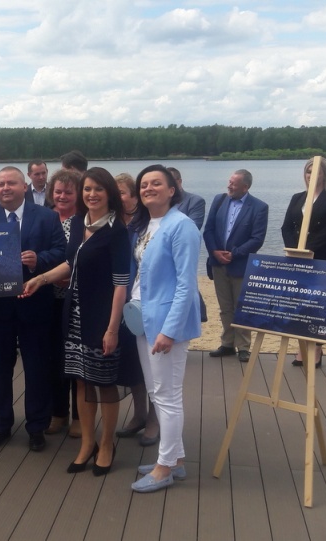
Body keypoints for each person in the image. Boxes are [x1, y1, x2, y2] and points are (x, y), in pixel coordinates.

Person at [23, 166, 132, 475]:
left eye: (98, 189)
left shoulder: (117, 231)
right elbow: (70, 264)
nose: (91, 194)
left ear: (109, 193)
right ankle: (87, 443)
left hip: (103, 317)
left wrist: (112, 329)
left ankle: (107, 444)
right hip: (74, 314)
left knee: (104, 383)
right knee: (82, 381)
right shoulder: (75, 222)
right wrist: (41, 279)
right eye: (87, 189)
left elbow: (121, 284)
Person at [0, 166, 66, 452]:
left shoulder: (47, 217)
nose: (5, 189)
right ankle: (1, 425)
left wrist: (37, 259)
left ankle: (36, 427)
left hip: (35, 305)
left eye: (11, 184)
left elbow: (62, 252)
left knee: (37, 368)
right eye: (0, 184)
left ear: (24, 186)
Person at [128, 165, 203, 493]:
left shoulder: (181, 226)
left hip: (165, 325)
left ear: (173, 189)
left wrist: (170, 331)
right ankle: (177, 459)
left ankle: (164, 468)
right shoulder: (147, 225)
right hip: (144, 319)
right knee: (158, 392)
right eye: (143, 184)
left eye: (156, 183)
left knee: (168, 396)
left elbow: (187, 285)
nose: (148, 188)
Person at [280, 157, 326, 367]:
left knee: (318, 307)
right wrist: (294, 250)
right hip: (297, 260)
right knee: (299, 306)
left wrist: (309, 249)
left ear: (325, 175)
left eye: (317, 172)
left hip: (322, 259)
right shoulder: (297, 198)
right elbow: (286, 227)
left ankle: (316, 350)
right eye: (309, 172)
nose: (312, 176)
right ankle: (301, 349)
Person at [202, 169, 268, 363]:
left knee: (242, 307)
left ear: (245, 187)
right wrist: (214, 251)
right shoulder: (219, 200)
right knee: (225, 307)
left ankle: (244, 347)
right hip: (218, 263)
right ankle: (227, 344)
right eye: (229, 182)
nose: (229, 186)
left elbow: (257, 239)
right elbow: (209, 230)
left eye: (233, 184)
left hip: (240, 264)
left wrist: (235, 254)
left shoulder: (259, 207)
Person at [114, 171, 160, 447]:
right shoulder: (112, 223)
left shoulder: (146, 225)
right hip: (120, 303)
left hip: (144, 302)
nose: (117, 197)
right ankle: (139, 413)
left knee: (152, 367)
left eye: (121, 192)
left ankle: (154, 419)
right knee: (132, 363)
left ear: (133, 197)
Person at [41, 168, 82, 437]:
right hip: (48, 301)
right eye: (58, 191)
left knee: (76, 360)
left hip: (78, 301)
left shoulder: (85, 221)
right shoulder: (44, 218)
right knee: (53, 359)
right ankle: (58, 413)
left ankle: (80, 417)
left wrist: (71, 278)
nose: (62, 196)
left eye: (68, 191)